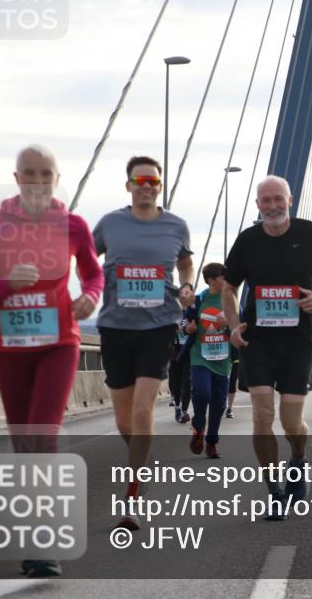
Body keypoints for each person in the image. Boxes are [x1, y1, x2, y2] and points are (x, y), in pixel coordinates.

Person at [0, 145, 104, 578]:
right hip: (11, 348)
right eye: (29, 173)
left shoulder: (73, 225)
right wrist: (7, 284)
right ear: (16, 178)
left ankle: (44, 543)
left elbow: (93, 272)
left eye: (46, 173)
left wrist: (90, 297)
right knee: (23, 442)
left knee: (43, 435)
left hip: (59, 342)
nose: (37, 180)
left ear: (56, 178)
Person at [224, 175, 312, 521]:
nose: (272, 206)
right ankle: (274, 492)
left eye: (278, 199)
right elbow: (229, 288)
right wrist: (233, 325)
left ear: (290, 200)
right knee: (262, 417)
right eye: (265, 201)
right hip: (257, 339)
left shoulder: (309, 233)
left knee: (291, 421)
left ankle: (299, 460)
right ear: (257, 205)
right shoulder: (247, 240)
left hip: (297, 340)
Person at [93, 156, 195, 529]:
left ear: (159, 185)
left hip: (159, 325)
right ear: (129, 185)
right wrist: (90, 286)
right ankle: (142, 462)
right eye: (140, 180)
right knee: (123, 419)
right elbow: (86, 258)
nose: (147, 185)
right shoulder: (110, 223)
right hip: (115, 327)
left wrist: (186, 286)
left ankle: (132, 495)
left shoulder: (176, 226)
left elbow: (185, 264)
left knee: (141, 411)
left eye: (153, 180)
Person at [185, 263, 232, 459]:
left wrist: (230, 322)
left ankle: (211, 442)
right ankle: (198, 429)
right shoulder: (198, 300)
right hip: (200, 356)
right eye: (223, 277)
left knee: (219, 404)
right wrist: (188, 329)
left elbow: (242, 325)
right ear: (212, 280)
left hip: (223, 359)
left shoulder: (231, 301)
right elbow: (185, 323)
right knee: (202, 393)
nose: (227, 280)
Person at [169, 317, 192, 424]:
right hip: (175, 352)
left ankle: (184, 411)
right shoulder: (172, 310)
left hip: (189, 352)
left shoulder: (192, 311)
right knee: (176, 383)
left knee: (187, 382)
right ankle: (177, 406)